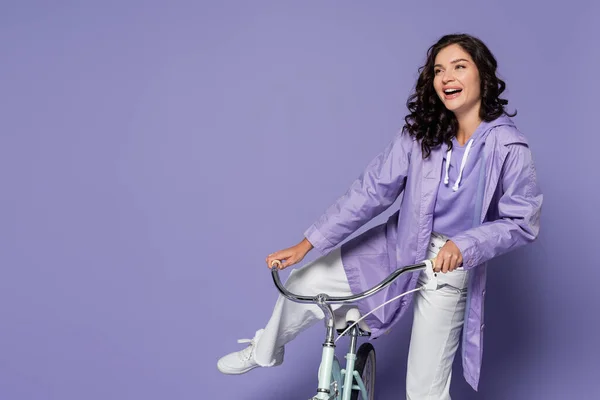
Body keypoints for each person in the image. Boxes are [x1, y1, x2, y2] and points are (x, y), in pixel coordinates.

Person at [217, 33, 543, 399]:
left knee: (424, 392)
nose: (447, 77)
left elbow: (520, 222)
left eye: (459, 67)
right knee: (303, 283)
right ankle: (265, 350)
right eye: (439, 70)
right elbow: (370, 192)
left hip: (449, 267)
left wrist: (465, 245)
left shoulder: (508, 146)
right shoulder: (422, 134)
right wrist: (307, 243)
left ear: (482, 74)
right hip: (398, 244)